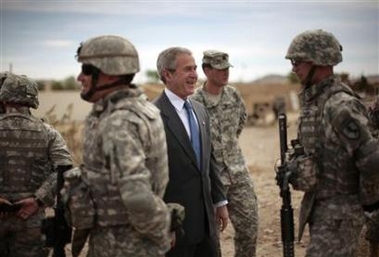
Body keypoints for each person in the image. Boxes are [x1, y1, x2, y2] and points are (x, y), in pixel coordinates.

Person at [68, 35, 172, 257]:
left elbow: (137, 197)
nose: (79, 77)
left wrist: (159, 235)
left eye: (86, 69)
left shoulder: (119, 121)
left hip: (121, 246)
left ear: (107, 72)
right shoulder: (141, 108)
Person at [284, 29, 379, 257]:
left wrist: (368, 207)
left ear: (319, 61)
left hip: (341, 215)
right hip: (322, 209)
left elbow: (372, 161)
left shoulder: (340, 106)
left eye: (298, 61)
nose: (294, 68)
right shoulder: (316, 103)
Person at [153, 47, 229, 257]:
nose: (195, 74)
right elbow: (147, 177)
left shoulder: (199, 110)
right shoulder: (152, 117)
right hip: (175, 229)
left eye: (195, 69)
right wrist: (162, 225)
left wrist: (220, 202)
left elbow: (209, 161)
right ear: (167, 74)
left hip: (207, 224)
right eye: (187, 69)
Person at [191, 50, 259, 257]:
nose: (225, 73)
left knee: (250, 226)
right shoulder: (195, 101)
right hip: (211, 178)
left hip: (237, 172)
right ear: (206, 70)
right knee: (212, 236)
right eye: (220, 69)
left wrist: (227, 147)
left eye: (227, 68)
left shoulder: (233, 94)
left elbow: (240, 122)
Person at [0, 72, 73, 256]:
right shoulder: (48, 133)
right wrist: (38, 200)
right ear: (33, 99)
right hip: (30, 219)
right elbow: (65, 168)